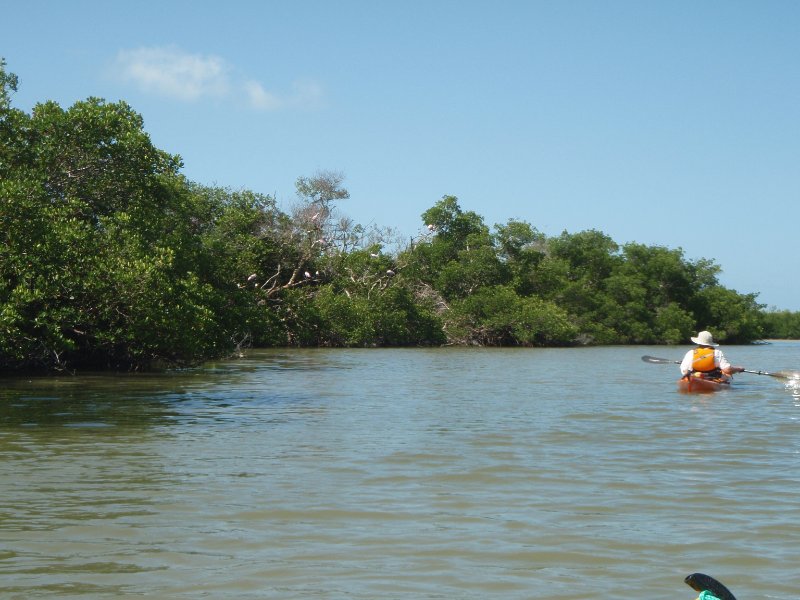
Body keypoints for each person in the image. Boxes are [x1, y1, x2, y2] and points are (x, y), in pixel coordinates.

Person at [680, 330, 744, 380]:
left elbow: (684, 369)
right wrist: (738, 369)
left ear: (698, 342)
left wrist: (689, 374)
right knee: (725, 375)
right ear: (710, 343)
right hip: (712, 377)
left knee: (689, 372)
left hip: (695, 376)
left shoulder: (691, 352)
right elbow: (727, 370)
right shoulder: (717, 352)